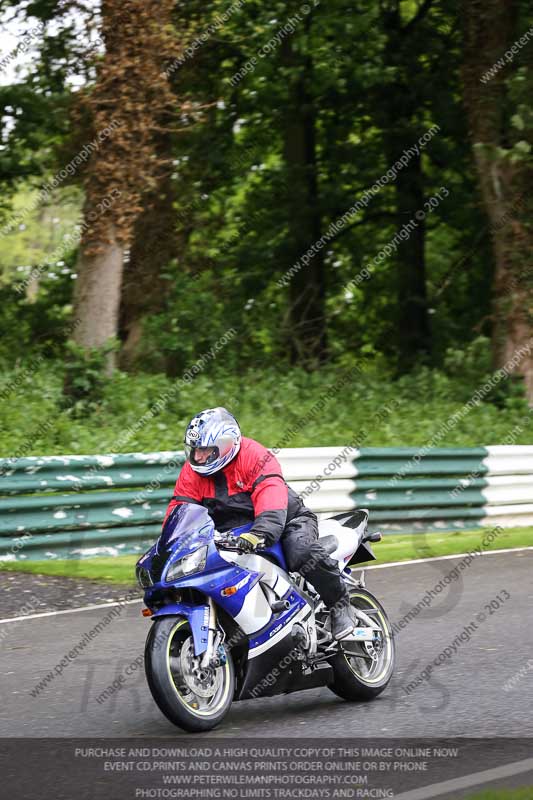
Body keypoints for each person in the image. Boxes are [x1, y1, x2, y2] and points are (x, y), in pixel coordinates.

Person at [163, 407, 356, 639]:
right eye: (195, 450)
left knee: (301, 553)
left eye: (205, 450)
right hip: (232, 534)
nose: (198, 457)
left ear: (225, 445)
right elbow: (179, 510)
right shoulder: (192, 472)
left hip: (286, 521)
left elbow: (271, 499)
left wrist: (259, 534)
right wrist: (169, 548)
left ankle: (340, 604)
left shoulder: (255, 456)